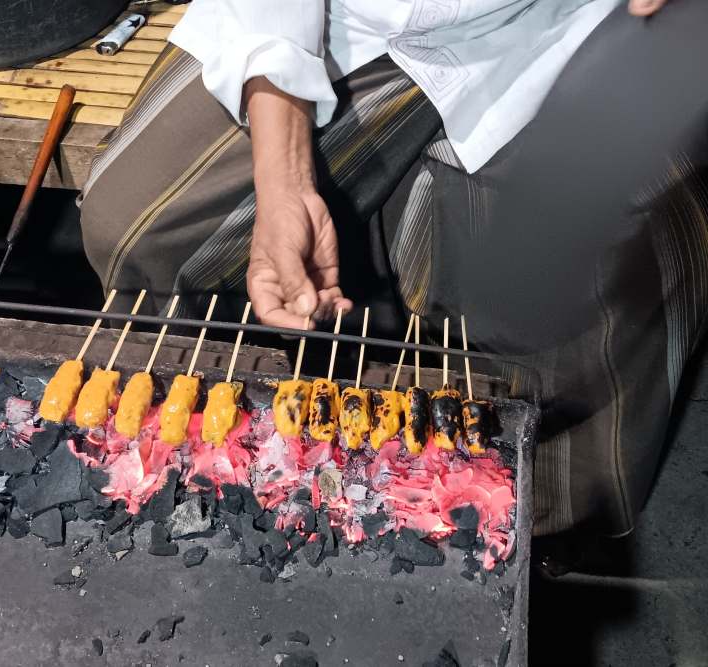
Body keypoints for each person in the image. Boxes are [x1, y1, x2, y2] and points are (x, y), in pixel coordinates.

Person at [79, 0, 708, 537]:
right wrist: (286, 172)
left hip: (568, 22)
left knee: (573, 269)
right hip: (349, 18)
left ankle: (540, 519)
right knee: (135, 229)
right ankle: (217, 450)